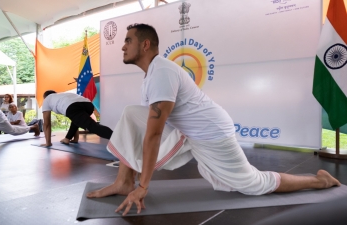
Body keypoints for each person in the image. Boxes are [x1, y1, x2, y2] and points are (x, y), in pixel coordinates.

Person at [86, 24, 340, 216]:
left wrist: (143, 186)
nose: (122, 46)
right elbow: (149, 127)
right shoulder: (153, 73)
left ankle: (320, 180)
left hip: (212, 134)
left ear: (145, 45)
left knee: (252, 183)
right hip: (186, 131)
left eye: (128, 40)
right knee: (131, 113)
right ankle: (122, 181)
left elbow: (153, 135)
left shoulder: (161, 73)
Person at [41, 91, 113, 147]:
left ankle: (119, 138)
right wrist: (75, 139)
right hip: (88, 104)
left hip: (73, 107)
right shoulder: (63, 95)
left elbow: (46, 124)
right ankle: (68, 139)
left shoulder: (47, 99)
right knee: (77, 119)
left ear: (45, 97)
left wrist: (48, 143)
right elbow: (76, 120)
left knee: (92, 126)